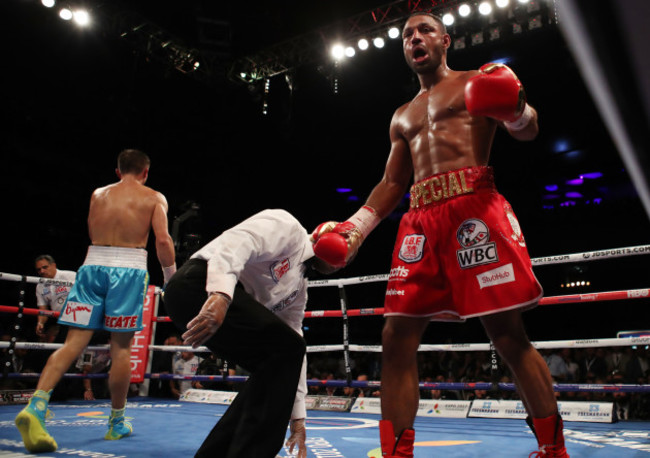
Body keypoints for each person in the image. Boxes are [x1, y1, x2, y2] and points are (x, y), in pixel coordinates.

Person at [311, 12, 568, 457]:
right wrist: (355, 229)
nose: (415, 37)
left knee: (506, 333)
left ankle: (552, 449)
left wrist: (518, 108)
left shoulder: (475, 82)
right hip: (420, 221)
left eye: (424, 30)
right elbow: (392, 184)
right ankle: (397, 453)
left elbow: (528, 130)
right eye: (408, 33)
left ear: (445, 41)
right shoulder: (401, 115)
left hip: (474, 211)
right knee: (395, 336)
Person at [15, 149, 176, 453]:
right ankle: (116, 422)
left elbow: (92, 230)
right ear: (145, 172)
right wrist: (171, 277)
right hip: (128, 272)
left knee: (72, 344)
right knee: (121, 348)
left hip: (90, 269)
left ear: (118, 171)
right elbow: (164, 240)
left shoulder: (97, 194)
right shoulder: (154, 197)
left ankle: (35, 407)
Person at [163, 208, 338, 458]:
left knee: (277, 361)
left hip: (217, 304)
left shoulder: (299, 288)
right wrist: (221, 294)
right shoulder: (289, 228)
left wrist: (297, 418)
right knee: (285, 350)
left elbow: (294, 345)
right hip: (197, 286)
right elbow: (238, 241)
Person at [34, 255, 77, 343]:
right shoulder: (40, 286)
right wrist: (40, 323)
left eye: (45, 267)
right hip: (62, 320)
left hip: (78, 316)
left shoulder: (70, 276)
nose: (42, 271)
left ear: (53, 265)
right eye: (39, 269)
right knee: (60, 345)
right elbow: (43, 309)